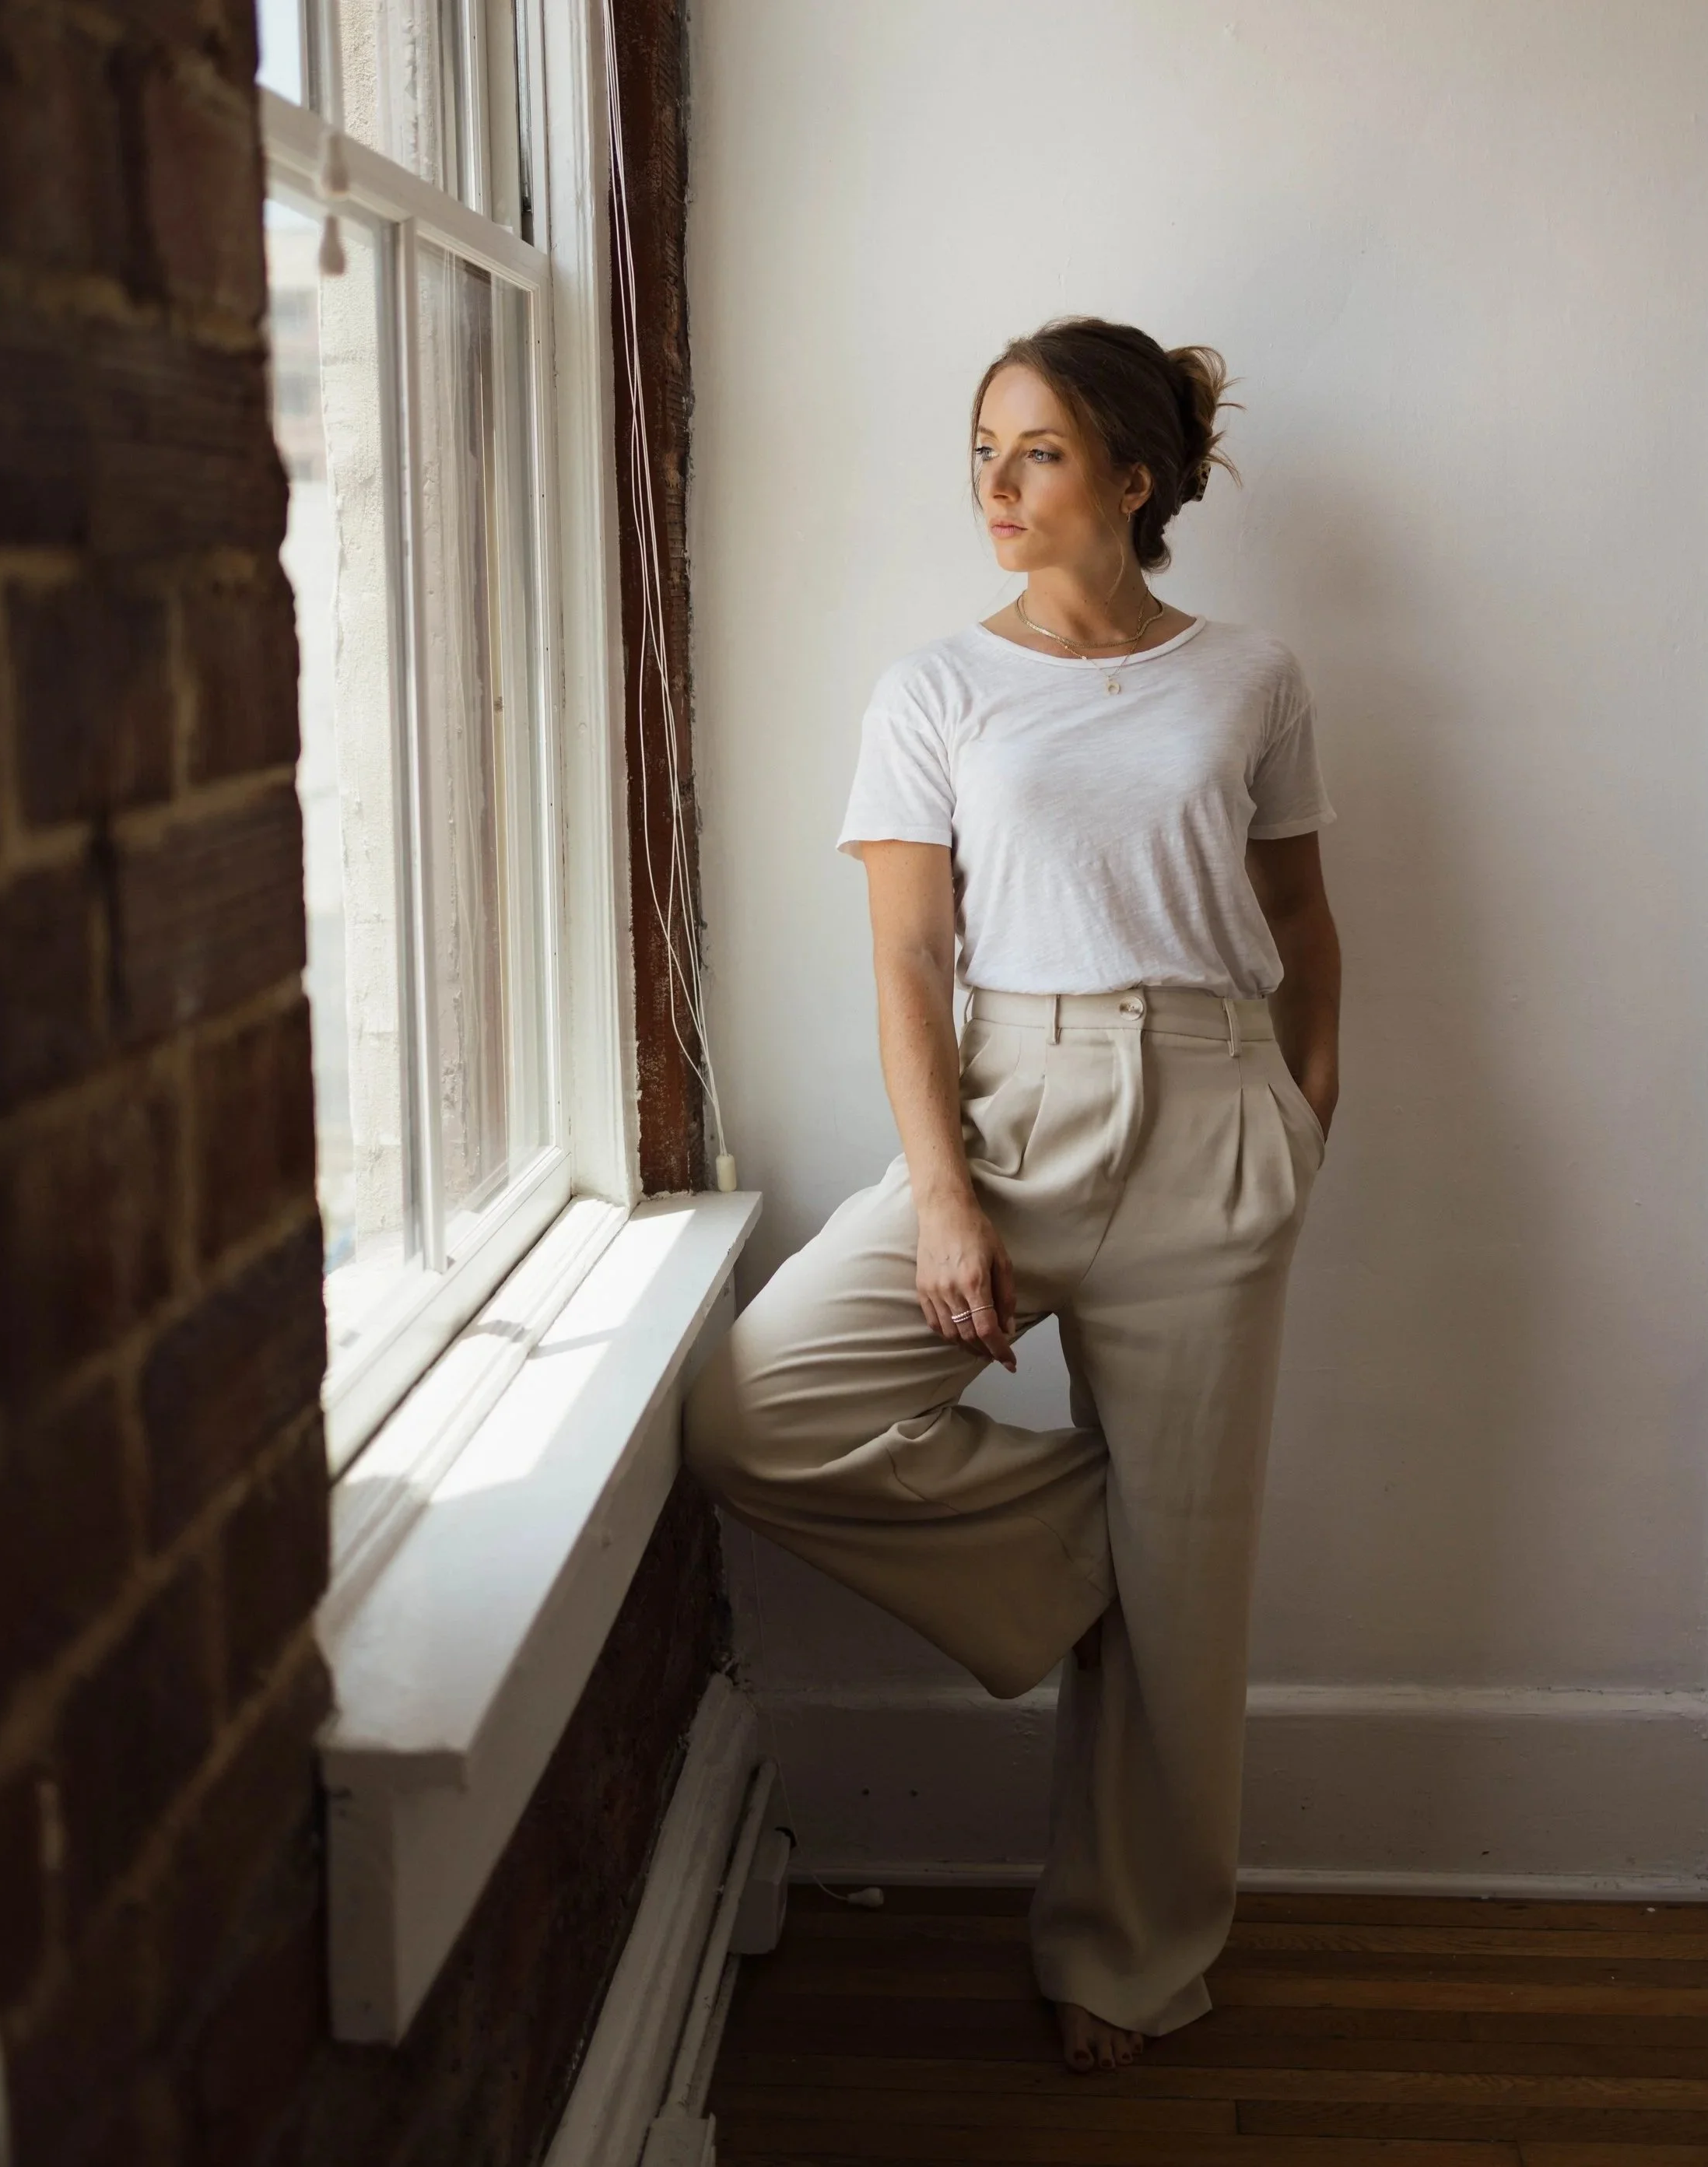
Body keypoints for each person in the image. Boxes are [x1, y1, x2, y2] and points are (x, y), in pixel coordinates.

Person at [682, 315, 1341, 2074]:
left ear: (1132, 478)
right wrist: (945, 1196)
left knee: (1197, 1598)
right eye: (979, 447)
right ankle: (1095, 1563)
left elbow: (1301, 925)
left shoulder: (1252, 674)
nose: (993, 482)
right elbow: (906, 959)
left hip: (1212, 1114)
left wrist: (1297, 1119)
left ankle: (1126, 1960)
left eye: (1034, 450)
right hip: (1011, 1105)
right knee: (756, 1411)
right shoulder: (934, 689)